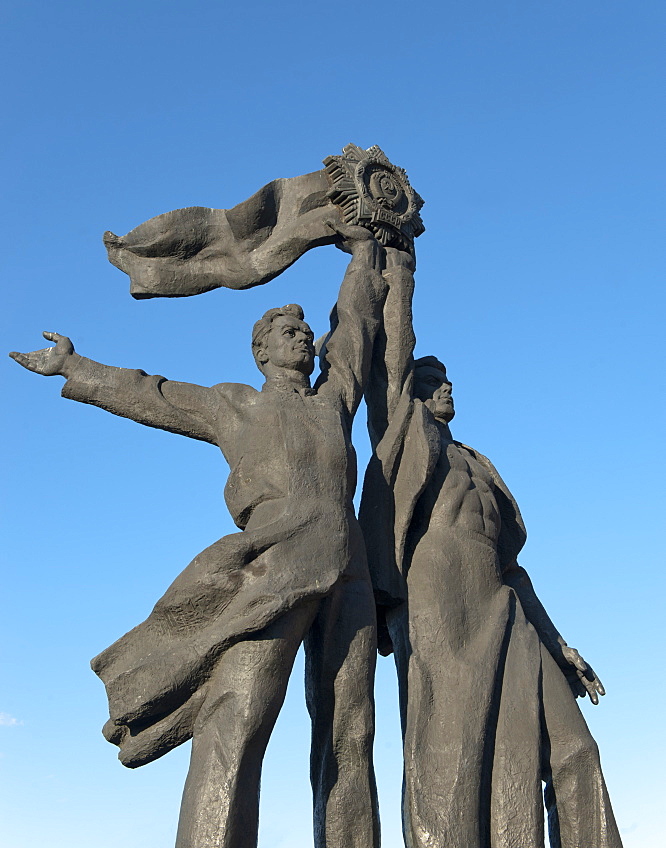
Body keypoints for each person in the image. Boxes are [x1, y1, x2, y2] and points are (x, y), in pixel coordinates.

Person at [10, 223, 387, 848]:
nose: (302, 336)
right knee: (238, 718)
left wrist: (364, 254)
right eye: (285, 332)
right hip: (274, 566)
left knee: (351, 735)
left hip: (349, 572)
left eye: (303, 330)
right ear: (261, 353)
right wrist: (74, 366)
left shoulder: (332, 403)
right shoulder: (233, 404)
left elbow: (353, 333)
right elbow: (153, 393)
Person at [359, 249, 623, 848]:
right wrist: (400, 269)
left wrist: (560, 643)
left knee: (574, 746)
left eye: (448, 379)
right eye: (432, 380)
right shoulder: (403, 440)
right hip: (437, 608)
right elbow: (393, 357)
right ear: (413, 394)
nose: (446, 385)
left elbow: (514, 568)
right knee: (450, 760)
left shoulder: (478, 463)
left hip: (502, 604)